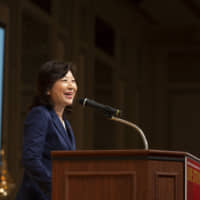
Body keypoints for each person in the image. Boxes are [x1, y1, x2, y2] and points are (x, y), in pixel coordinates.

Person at [15, 60, 78, 200]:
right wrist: (56, 188)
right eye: (64, 80)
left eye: (73, 81)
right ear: (47, 89)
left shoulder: (66, 124)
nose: (71, 86)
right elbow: (30, 159)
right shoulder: (40, 114)